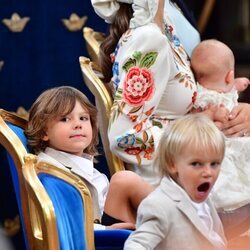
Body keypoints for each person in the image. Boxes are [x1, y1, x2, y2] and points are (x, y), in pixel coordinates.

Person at [25, 86, 154, 229]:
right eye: (65, 119)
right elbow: (63, 222)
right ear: (44, 132)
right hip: (95, 238)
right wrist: (106, 230)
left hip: (116, 229)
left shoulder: (86, 167)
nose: (78, 124)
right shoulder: (48, 169)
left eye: (83, 118)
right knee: (123, 180)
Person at [124, 114, 227, 250]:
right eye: (196, 164)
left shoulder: (205, 201)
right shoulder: (158, 205)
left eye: (214, 164)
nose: (208, 172)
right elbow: (136, 245)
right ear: (172, 164)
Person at [191, 39, 249, 123]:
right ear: (230, 77)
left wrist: (235, 85)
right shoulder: (205, 98)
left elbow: (228, 91)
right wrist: (211, 114)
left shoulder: (198, 92)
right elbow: (195, 118)